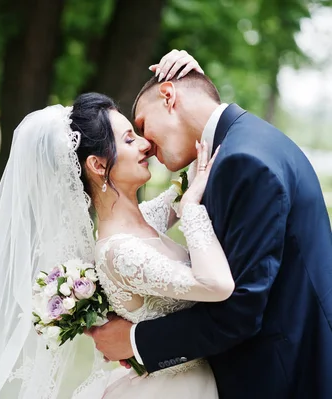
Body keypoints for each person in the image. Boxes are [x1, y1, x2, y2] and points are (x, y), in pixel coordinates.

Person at [0, 53, 225, 398]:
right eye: (130, 140)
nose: (146, 144)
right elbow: (216, 284)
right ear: (98, 165)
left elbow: (191, 173)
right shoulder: (119, 251)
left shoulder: (145, 218)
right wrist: (191, 209)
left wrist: (195, 87)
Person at [88, 51, 332, 399]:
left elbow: (241, 311)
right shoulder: (239, 144)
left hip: (282, 373)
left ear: (169, 96)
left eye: (142, 125)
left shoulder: (243, 161)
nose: (146, 144)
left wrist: (133, 340)